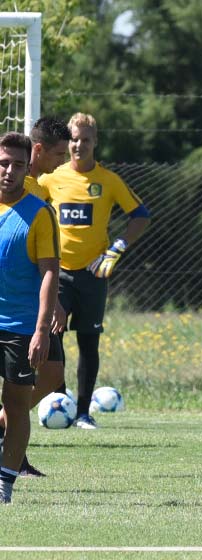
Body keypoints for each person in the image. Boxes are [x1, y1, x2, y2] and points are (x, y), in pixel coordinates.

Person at [39, 113, 151, 429]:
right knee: (51, 336)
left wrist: (116, 249)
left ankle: (84, 413)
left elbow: (140, 215)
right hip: (57, 273)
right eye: (73, 139)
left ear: (95, 142)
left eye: (85, 140)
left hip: (93, 275)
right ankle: (60, 401)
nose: (78, 145)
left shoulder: (108, 181)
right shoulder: (52, 178)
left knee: (89, 342)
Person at [0, 116, 71, 477]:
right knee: (46, 375)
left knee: (52, 372)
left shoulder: (40, 194)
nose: (64, 160)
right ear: (39, 152)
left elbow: (44, 262)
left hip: (32, 308)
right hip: (22, 307)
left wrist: (51, 300)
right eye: (59, 153)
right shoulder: (26, 186)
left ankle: (9, 446)